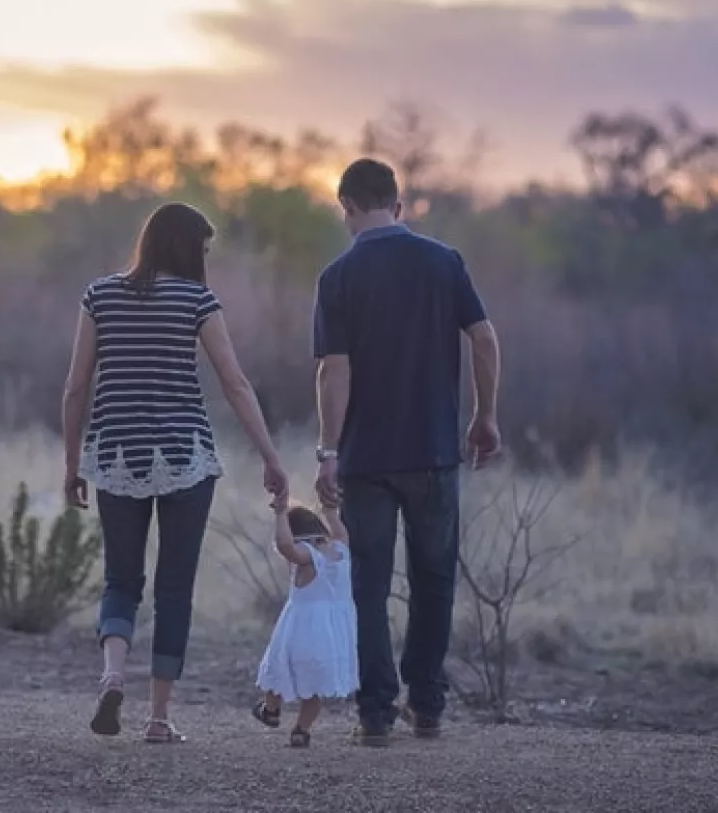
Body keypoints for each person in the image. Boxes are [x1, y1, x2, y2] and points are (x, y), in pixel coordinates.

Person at [62, 201, 288, 744]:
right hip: (185, 457)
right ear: (187, 248)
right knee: (174, 589)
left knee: (121, 579)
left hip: (115, 455)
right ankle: (158, 718)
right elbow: (234, 383)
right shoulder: (196, 299)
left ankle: (113, 674)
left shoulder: (100, 295)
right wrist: (270, 456)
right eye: (204, 250)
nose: (205, 261)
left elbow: (75, 388)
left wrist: (73, 464)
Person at [312, 158, 501, 747]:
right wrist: (485, 416)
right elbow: (485, 338)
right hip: (434, 452)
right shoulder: (443, 262)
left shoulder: (338, 276)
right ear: (398, 204)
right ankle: (427, 705)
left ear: (345, 206)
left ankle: (374, 713)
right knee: (434, 579)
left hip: (367, 459)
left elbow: (333, 372)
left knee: (368, 585)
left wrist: (327, 451)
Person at [252, 497, 359, 748]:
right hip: (334, 633)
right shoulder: (341, 549)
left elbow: (285, 545)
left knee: (278, 667)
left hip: (302, 628)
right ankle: (301, 729)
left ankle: (271, 709)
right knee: (316, 684)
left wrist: (280, 514)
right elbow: (339, 529)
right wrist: (329, 509)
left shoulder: (307, 556)